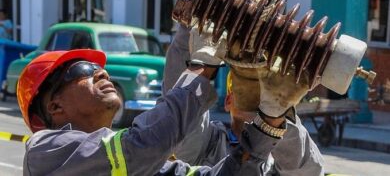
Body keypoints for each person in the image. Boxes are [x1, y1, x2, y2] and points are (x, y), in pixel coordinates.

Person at [19, 41, 296, 175]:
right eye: (85, 70)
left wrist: (270, 119)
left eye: (101, 68)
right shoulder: (45, 151)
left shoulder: (135, 166)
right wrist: (200, 69)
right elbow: (143, 146)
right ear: (54, 105)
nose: (102, 73)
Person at [163, 22, 324, 175]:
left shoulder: (278, 161)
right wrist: (188, 31)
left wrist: (276, 116)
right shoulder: (209, 146)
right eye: (244, 91)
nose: (254, 100)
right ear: (228, 101)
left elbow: (308, 170)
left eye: (262, 96)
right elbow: (179, 115)